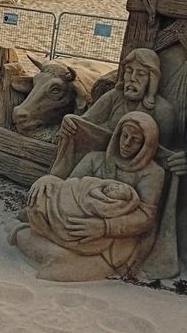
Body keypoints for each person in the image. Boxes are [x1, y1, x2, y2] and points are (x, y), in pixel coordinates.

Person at [11, 112, 165, 281]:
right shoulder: (95, 159)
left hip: (113, 240)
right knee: (42, 207)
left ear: (146, 145)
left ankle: (35, 241)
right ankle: (36, 236)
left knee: (63, 264)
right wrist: (48, 179)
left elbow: (146, 218)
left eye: (135, 140)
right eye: (124, 136)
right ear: (117, 135)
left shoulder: (152, 173)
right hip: (74, 224)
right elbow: (68, 188)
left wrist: (104, 226)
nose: (127, 143)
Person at [50, 48, 179, 179]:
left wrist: (174, 160)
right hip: (105, 162)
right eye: (129, 71)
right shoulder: (114, 96)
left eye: (140, 74)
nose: (132, 78)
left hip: (136, 173)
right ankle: (58, 180)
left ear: (152, 79)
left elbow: (161, 153)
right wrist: (70, 123)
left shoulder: (164, 111)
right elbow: (85, 124)